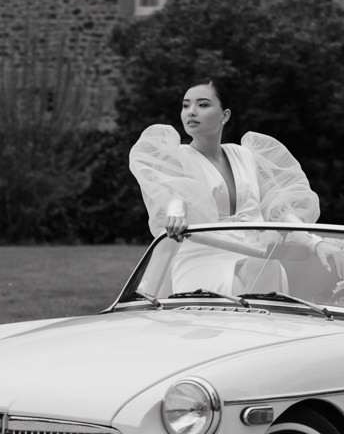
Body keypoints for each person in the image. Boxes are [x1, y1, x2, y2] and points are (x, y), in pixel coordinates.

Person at [129, 76, 320, 294]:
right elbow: (174, 196)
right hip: (203, 259)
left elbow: (278, 207)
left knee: (269, 267)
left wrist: (315, 242)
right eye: (185, 105)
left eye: (202, 105)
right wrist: (175, 211)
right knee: (259, 274)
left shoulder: (246, 155)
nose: (191, 112)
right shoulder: (177, 158)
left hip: (255, 257)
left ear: (225, 115)